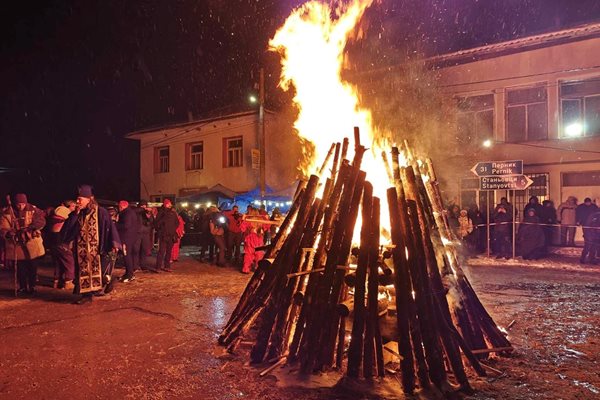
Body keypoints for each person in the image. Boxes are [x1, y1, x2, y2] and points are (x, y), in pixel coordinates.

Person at [61, 185, 121, 303]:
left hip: (97, 248)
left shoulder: (101, 212)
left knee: (98, 271)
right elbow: (69, 228)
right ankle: (87, 295)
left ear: (89, 199)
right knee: (84, 271)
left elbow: (110, 227)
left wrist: (114, 243)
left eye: (80, 199)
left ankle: (101, 285)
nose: (78, 202)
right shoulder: (79, 213)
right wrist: (75, 214)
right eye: (77, 199)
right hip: (81, 249)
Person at [0, 193, 46, 295]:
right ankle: (23, 287)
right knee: (21, 267)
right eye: (18, 204)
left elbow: (41, 221)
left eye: (23, 204)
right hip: (17, 244)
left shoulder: (33, 210)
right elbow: (3, 227)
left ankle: (32, 286)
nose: (20, 206)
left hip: (31, 242)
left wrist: (30, 228)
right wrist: (8, 232)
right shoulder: (7, 212)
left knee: (32, 266)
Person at [48, 205, 75, 290]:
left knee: (58, 263)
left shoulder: (57, 211)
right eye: (73, 206)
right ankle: (68, 282)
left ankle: (56, 282)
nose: (74, 207)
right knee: (69, 262)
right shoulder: (66, 213)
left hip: (53, 241)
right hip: (61, 242)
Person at [117, 200, 141, 282]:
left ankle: (130, 275)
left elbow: (126, 225)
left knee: (127, 256)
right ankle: (128, 273)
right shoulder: (130, 212)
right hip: (130, 237)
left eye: (119, 207)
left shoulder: (126, 213)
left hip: (126, 238)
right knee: (127, 256)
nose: (118, 208)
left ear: (122, 206)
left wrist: (115, 224)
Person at [153, 199, 179, 272]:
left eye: (169, 203)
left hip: (171, 235)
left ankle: (167, 266)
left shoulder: (173, 213)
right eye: (168, 203)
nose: (169, 205)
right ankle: (158, 267)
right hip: (163, 235)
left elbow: (177, 223)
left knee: (169, 251)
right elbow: (156, 224)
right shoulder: (161, 213)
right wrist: (161, 228)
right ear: (165, 204)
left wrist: (173, 229)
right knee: (161, 251)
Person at [135, 200, 154, 271]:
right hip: (138, 233)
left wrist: (149, 217)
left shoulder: (147, 212)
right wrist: (143, 209)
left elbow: (152, 221)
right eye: (142, 206)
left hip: (145, 233)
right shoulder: (137, 211)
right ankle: (135, 265)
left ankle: (143, 265)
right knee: (136, 250)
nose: (144, 207)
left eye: (145, 206)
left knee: (144, 249)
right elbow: (136, 211)